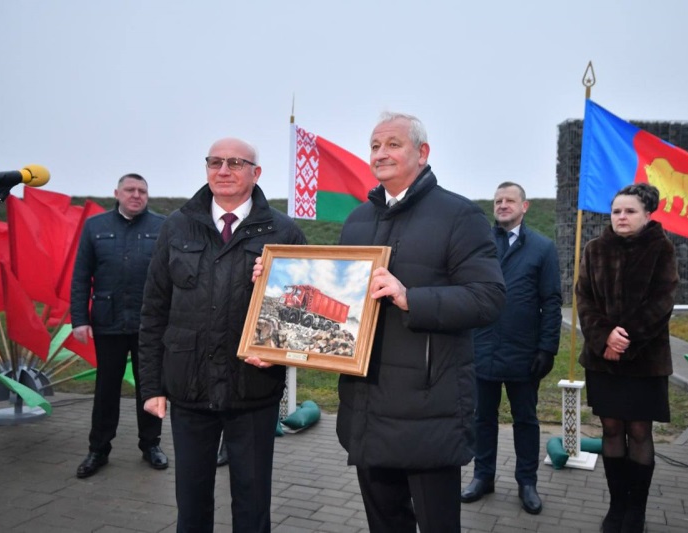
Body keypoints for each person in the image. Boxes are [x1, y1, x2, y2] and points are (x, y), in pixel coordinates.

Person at [336, 112, 506, 533]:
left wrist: (410, 297)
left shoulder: (459, 215)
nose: (380, 153)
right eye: (375, 146)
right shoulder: (357, 220)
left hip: (428, 408)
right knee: (385, 523)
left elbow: (488, 298)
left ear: (422, 152)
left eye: (393, 144)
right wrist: (279, 286)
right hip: (365, 404)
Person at [138, 138, 306, 533]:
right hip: (189, 388)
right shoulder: (177, 226)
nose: (223, 170)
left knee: (252, 502)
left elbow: (301, 315)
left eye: (235, 163)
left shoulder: (283, 231)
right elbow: (154, 310)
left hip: (252, 389)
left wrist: (279, 348)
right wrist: (151, 386)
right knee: (191, 501)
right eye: (215, 162)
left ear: (256, 173)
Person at [575, 183, 678, 533]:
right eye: (616, 211)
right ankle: (616, 506)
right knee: (611, 428)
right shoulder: (594, 248)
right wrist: (604, 336)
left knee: (639, 430)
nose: (621, 216)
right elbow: (584, 299)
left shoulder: (661, 249)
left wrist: (625, 340)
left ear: (647, 214)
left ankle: (636, 510)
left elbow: (662, 301)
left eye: (630, 211)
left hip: (645, 360)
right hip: (602, 359)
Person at [461, 182, 562, 514]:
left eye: (509, 200)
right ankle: (483, 476)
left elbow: (551, 301)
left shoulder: (542, 248)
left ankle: (527, 482)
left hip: (524, 353)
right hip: (482, 347)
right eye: (498, 201)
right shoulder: (480, 245)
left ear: (524, 206)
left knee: (526, 420)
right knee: (482, 418)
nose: (503, 205)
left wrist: (547, 349)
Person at [71, 173, 168, 479]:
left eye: (142, 191)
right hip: (108, 320)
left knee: (150, 386)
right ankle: (98, 449)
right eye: (130, 190)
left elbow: (172, 275)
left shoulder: (162, 227)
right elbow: (81, 275)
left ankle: (151, 444)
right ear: (117, 193)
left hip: (150, 323)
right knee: (106, 388)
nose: (136, 195)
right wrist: (79, 319)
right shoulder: (95, 227)